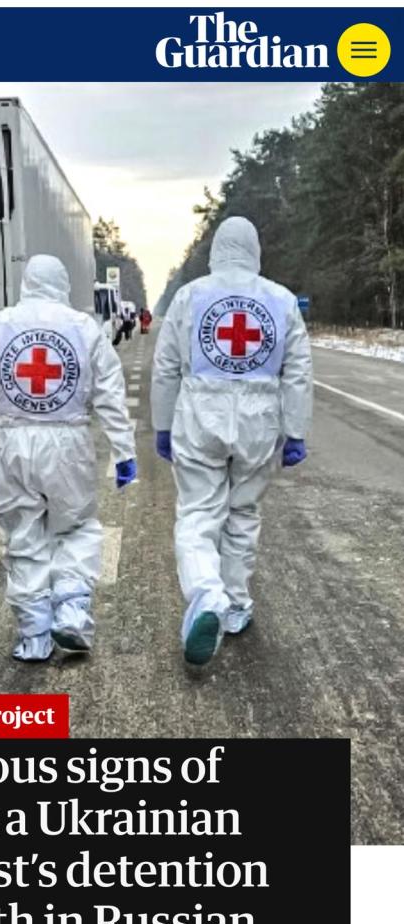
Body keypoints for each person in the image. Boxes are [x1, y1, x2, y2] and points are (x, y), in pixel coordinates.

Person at [0, 254, 137, 662]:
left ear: (27, 283)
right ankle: (71, 611)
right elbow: (110, 394)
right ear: (62, 284)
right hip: (68, 443)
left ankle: (34, 634)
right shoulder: (83, 327)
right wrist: (124, 450)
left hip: (11, 444)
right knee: (74, 526)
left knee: (22, 534)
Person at [151, 216, 312, 666]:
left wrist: (162, 424)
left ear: (216, 250)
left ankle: (207, 596)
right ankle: (236, 605)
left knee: (198, 513)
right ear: (255, 249)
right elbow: (298, 372)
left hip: (200, 415)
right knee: (242, 512)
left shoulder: (190, 296)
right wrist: (296, 431)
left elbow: (165, 367)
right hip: (260, 421)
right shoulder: (280, 300)